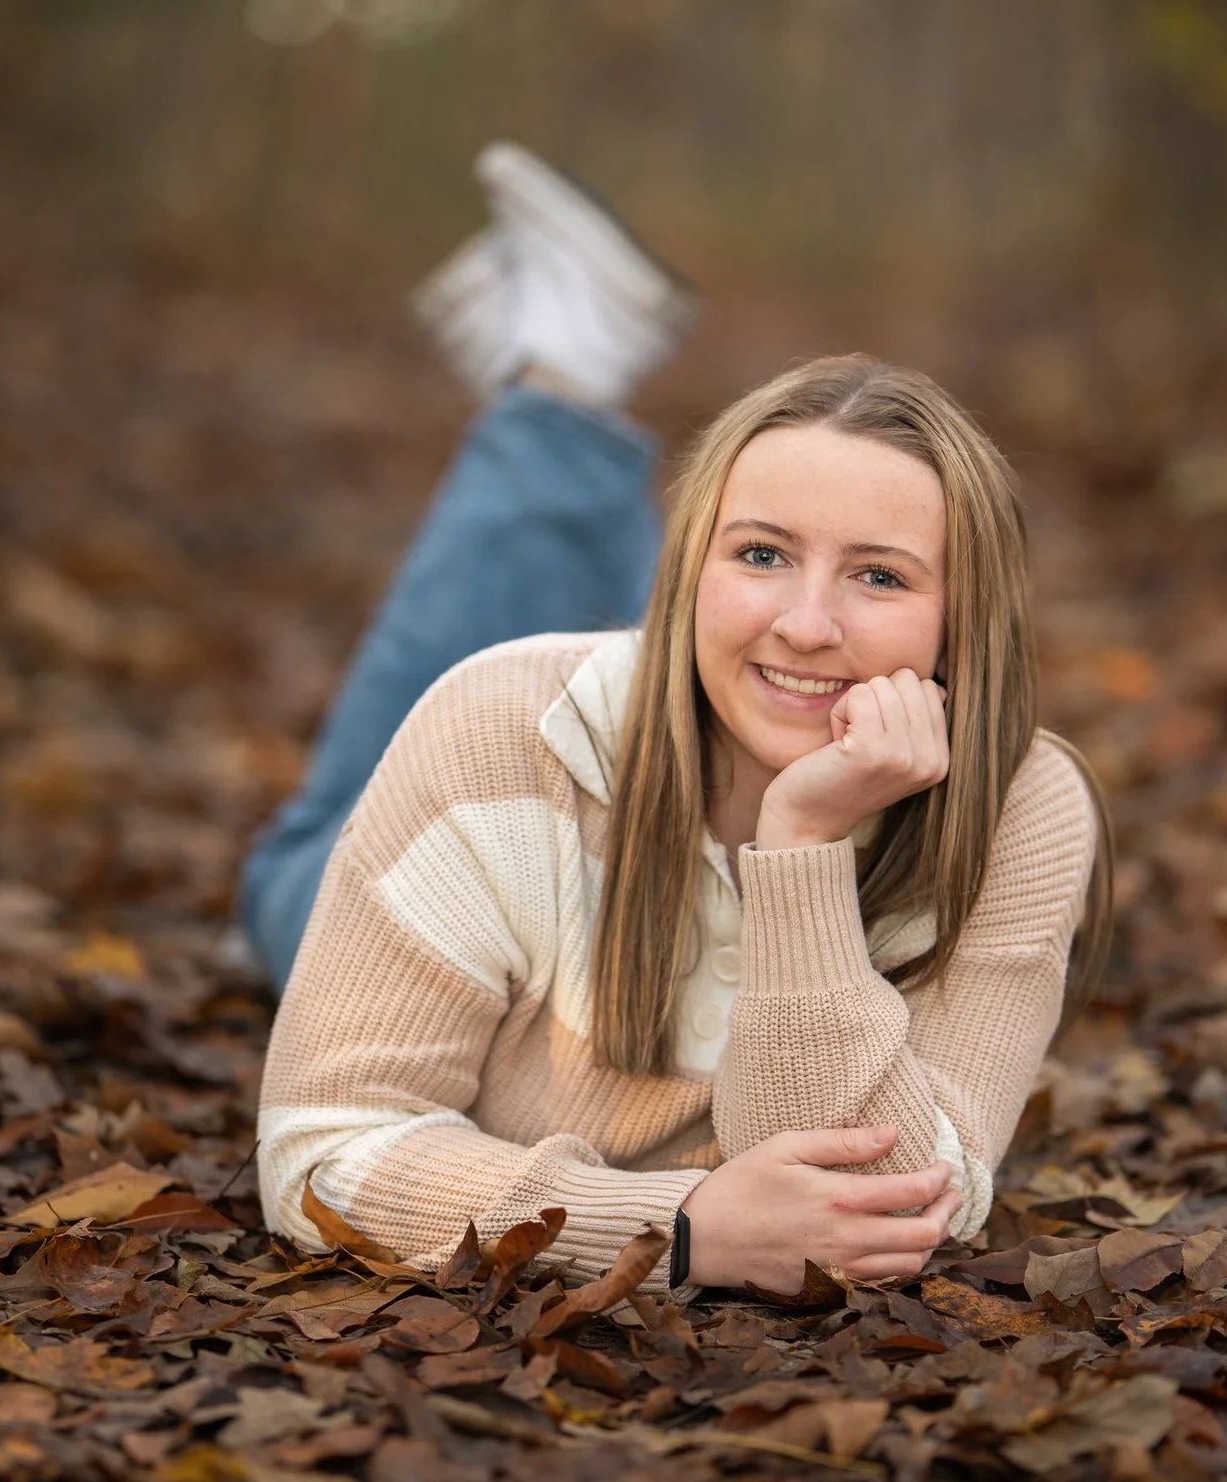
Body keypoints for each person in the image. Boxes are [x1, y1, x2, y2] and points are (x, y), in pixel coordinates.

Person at [240, 143, 1111, 1294]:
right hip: (518, 796)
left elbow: (886, 1214)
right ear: (685, 568)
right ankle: (555, 389)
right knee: (292, 884)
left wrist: (798, 852)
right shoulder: (498, 734)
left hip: (567, 817)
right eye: (756, 553)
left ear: (967, 627)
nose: (807, 622)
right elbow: (323, 1147)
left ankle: (558, 381)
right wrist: (680, 1226)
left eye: (881, 578)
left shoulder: (1022, 808)